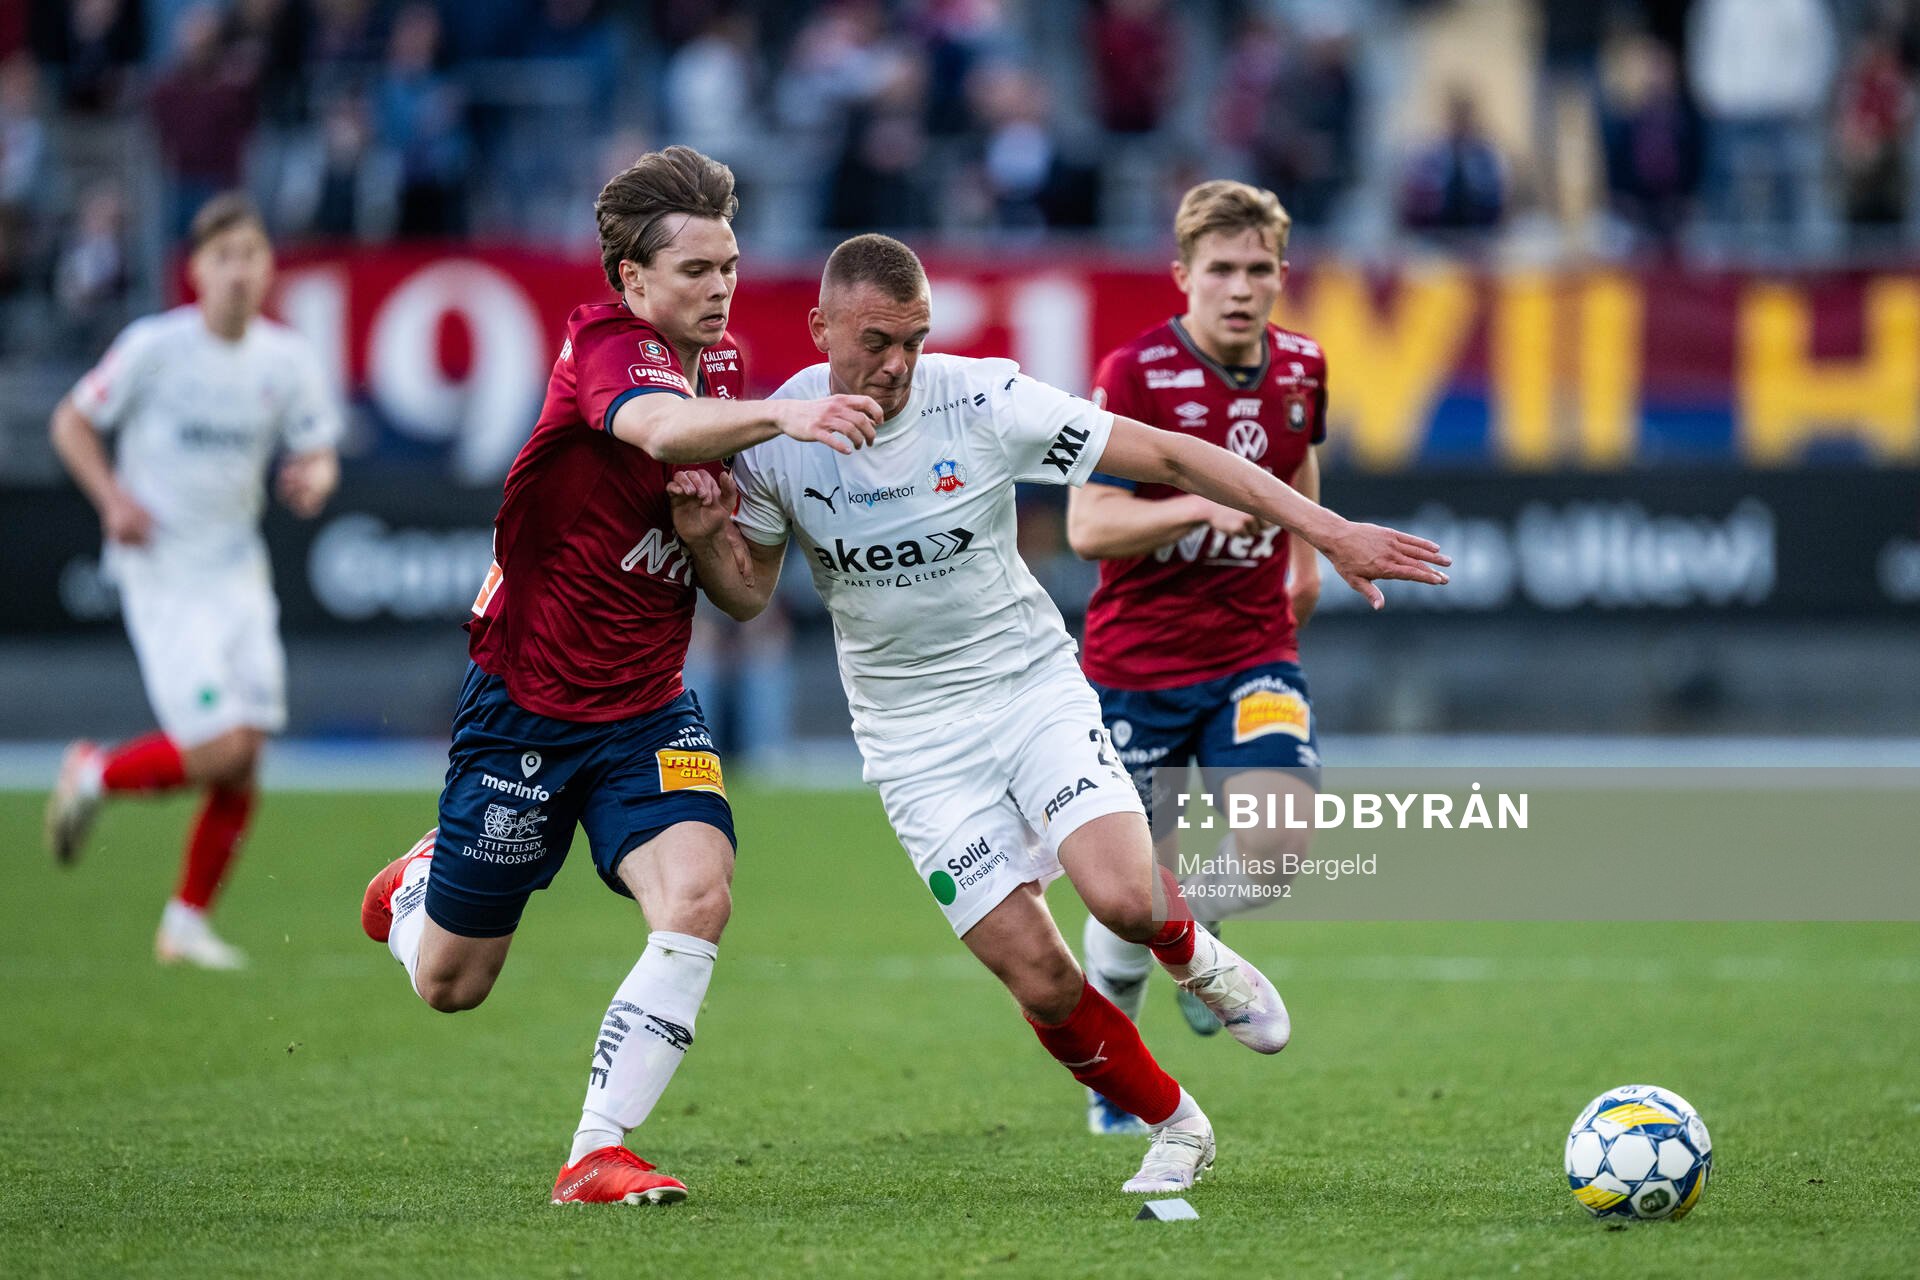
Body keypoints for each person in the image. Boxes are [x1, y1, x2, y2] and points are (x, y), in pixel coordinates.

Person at [667, 233, 1449, 1193]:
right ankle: (1176, 1122)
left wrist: (1329, 534)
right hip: (912, 741)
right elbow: (747, 596)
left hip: (1027, 686)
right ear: (820, 326)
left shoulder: (982, 399)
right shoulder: (780, 436)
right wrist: (709, 540)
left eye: (914, 338)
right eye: (876, 341)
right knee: (1034, 973)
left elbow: (1167, 452)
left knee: (1123, 896)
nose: (899, 364)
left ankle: (1196, 955)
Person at [353, 147, 882, 1207]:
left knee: (700, 895)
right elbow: (654, 426)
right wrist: (787, 417)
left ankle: (597, 1147)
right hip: (527, 712)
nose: (720, 288)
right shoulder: (604, 347)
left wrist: (709, 532)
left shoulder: (727, 372)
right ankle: (415, 885)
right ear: (633, 281)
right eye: (695, 270)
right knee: (452, 983)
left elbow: (739, 594)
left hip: (647, 708)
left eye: (728, 265)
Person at [1067, 179, 1326, 1136]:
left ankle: (1203, 930)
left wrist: (1303, 557)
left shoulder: (1302, 367)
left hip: (1255, 649)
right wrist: (1194, 503)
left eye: (1260, 269)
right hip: (1136, 666)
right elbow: (1089, 524)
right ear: (1183, 277)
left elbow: (1295, 461)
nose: (1241, 287)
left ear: (1281, 277)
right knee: (1130, 895)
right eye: (1221, 269)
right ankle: (1116, 1074)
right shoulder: (1133, 373)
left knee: (1279, 843)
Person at [44, 193, 341, 971]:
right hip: (165, 571)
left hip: (237, 570)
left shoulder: (286, 360)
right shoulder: (155, 347)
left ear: (270, 266)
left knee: (246, 759)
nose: (239, 272)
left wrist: (313, 480)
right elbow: (70, 422)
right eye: (223, 258)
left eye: (251, 255)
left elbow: (318, 454)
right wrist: (113, 500)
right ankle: (95, 774)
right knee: (216, 748)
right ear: (197, 272)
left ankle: (184, 925)